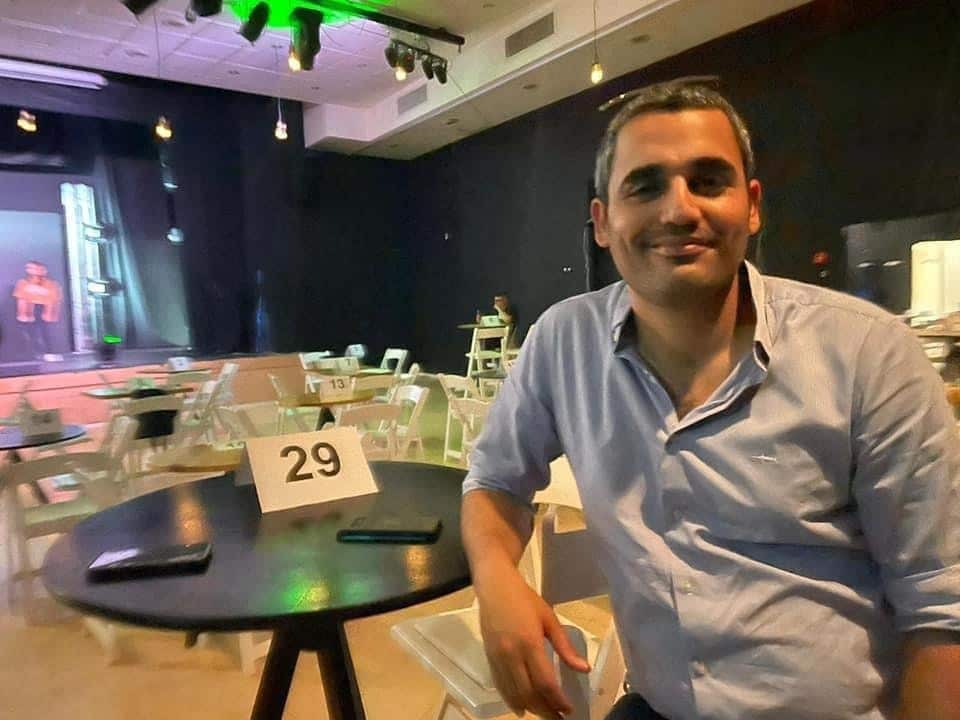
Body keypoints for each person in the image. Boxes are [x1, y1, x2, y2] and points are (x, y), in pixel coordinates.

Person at [461, 79, 960, 720]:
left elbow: (940, 607)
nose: (679, 210)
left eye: (707, 181)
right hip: (659, 706)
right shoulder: (564, 341)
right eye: (645, 186)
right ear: (603, 223)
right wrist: (497, 582)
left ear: (752, 206)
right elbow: (495, 479)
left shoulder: (868, 353)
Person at [12, 260, 63, 362]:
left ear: (43, 270)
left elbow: (55, 299)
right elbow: (20, 299)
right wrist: (22, 314)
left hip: (43, 310)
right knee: (30, 334)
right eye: (28, 268)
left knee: (46, 332)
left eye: (34, 268)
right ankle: (32, 354)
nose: (30, 270)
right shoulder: (23, 283)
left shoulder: (51, 284)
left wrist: (52, 314)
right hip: (29, 310)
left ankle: (49, 353)